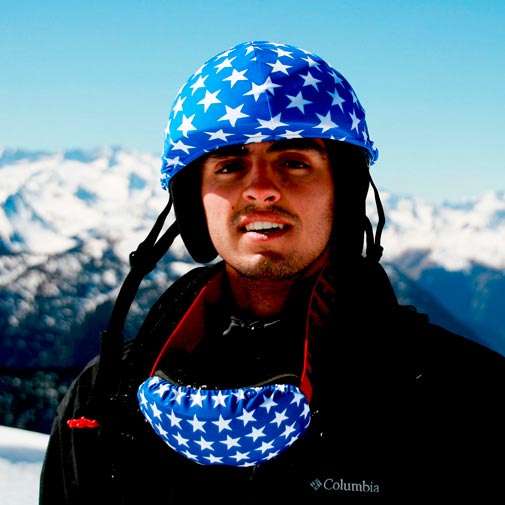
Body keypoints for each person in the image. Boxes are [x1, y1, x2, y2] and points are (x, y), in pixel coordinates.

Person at [39, 41, 505, 504]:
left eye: (294, 163)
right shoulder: (103, 401)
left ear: (343, 192)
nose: (260, 190)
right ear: (193, 203)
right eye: (229, 165)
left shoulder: (470, 400)